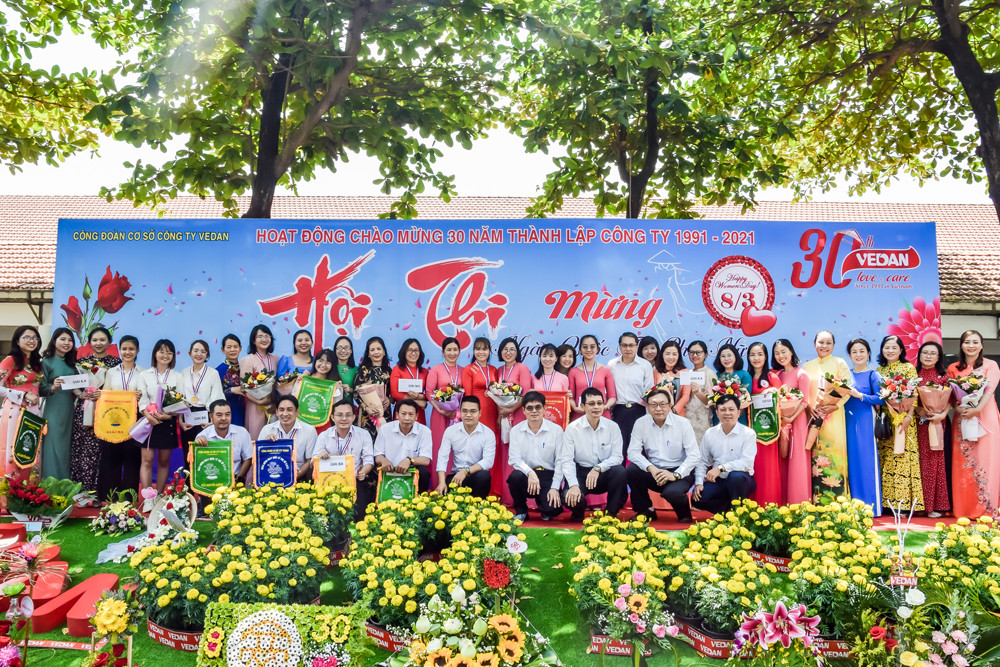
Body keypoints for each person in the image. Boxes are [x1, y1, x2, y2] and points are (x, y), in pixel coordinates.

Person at [626, 388, 699, 523]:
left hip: (679, 471)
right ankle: (646, 510)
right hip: (655, 471)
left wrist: (675, 475)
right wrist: (651, 468)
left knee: (672, 493)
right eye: (653, 405)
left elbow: (694, 455)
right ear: (647, 407)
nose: (658, 409)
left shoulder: (682, 423)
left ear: (670, 405)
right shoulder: (641, 423)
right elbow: (633, 452)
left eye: (662, 404)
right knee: (632, 470)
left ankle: (684, 514)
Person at [948, 329, 1000, 518]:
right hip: (963, 417)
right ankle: (964, 508)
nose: (971, 346)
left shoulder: (990, 365)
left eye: (975, 342)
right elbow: (952, 395)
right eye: (967, 342)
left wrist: (977, 410)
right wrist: (959, 407)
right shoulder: (953, 368)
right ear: (961, 345)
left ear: (981, 345)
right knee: (964, 462)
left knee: (987, 460)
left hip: (985, 415)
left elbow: (989, 391)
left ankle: (987, 507)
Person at [560, 387, 627, 521]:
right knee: (568, 497)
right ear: (583, 406)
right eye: (591, 404)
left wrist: (598, 468)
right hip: (581, 473)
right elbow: (567, 460)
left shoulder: (613, 427)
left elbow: (618, 457)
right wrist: (573, 485)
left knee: (620, 471)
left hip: (604, 473)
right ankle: (579, 510)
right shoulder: (572, 428)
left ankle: (611, 513)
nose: (596, 407)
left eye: (599, 403)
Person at [70, 326, 122, 496]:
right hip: (84, 410)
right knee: (82, 450)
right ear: (90, 342)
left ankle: (101, 491)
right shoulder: (81, 363)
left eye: (102, 340)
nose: (98, 343)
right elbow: (73, 386)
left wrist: (103, 394)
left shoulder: (116, 364)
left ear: (109, 342)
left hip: (106, 412)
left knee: (102, 451)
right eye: (95, 340)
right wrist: (81, 394)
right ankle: (81, 490)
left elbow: (119, 388)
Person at [802, 330, 851, 502]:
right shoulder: (807, 367)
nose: (824, 346)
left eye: (828, 343)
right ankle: (816, 501)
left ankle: (838, 501)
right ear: (814, 344)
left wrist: (834, 406)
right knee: (814, 454)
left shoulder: (839, 363)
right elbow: (802, 393)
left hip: (834, 417)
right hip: (812, 417)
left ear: (834, 345)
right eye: (821, 342)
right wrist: (810, 407)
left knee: (834, 453)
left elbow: (847, 390)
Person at [877, 334, 923, 513]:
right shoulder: (879, 371)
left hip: (904, 420)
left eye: (894, 347)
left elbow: (914, 395)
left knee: (903, 459)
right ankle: (888, 504)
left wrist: (908, 417)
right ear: (882, 349)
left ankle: (903, 505)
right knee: (887, 460)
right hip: (887, 420)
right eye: (887, 347)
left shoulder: (908, 368)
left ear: (901, 350)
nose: (890, 351)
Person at [692, 393, 757, 513]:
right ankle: (727, 511)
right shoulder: (710, 433)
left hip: (742, 479)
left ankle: (737, 514)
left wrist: (721, 468)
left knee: (736, 477)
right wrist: (699, 483)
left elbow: (746, 462)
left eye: (731, 409)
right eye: (723, 410)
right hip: (719, 480)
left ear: (738, 412)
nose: (727, 413)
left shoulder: (748, 434)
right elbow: (702, 461)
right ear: (717, 413)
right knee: (698, 499)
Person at [97, 334, 143, 500]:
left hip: (134, 421)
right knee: (111, 458)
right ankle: (110, 497)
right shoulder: (111, 372)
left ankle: (129, 498)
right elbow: (105, 395)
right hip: (113, 420)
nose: (127, 352)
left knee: (132, 459)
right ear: (119, 350)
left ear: (137, 351)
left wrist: (140, 396)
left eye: (131, 349)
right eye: (124, 349)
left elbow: (147, 397)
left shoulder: (143, 373)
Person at [313, 400, 376, 519]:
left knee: (360, 513)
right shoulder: (324, 436)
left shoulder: (363, 434)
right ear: (332, 417)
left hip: (354, 480)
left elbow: (368, 460)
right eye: (339, 415)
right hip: (329, 481)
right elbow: (313, 463)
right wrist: (320, 456)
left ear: (353, 417)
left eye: (348, 415)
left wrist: (364, 471)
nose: (344, 419)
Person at [507, 391, 564, 522]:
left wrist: (555, 487)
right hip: (526, 475)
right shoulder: (516, 431)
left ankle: (544, 507)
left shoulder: (556, 430)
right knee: (515, 477)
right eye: (529, 408)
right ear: (523, 410)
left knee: (553, 509)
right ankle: (521, 511)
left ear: (544, 409)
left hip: (548, 475)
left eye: (538, 407)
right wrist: (530, 473)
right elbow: (514, 459)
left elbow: (560, 461)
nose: (534, 411)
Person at [137, 339, 183, 495]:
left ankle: (158, 496)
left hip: (168, 422)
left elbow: (181, 401)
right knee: (147, 460)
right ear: (155, 354)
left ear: (173, 356)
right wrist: (148, 415)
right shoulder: (144, 375)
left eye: (169, 352)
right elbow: (142, 401)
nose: (165, 355)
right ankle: (148, 497)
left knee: (163, 461)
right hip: (148, 421)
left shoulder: (177, 376)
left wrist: (169, 416)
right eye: (161, 352)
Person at [844, 338, 884, 516]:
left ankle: (871, 506)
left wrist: (860, 396)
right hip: (846, 420)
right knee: (851, 462)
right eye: (854, 351)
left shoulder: (873, 375)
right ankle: (852, 505)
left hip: (865, 421)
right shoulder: (846, 375)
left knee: (866, 461)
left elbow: (882, 399)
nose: (858, 355)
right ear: (849, 355)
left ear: (868, 353)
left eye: (862, 351)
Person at [0, 326, 43, 482]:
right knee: (14, 449)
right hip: (15, 410)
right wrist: (22, 395)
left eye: (35, 338)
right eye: (27, 337)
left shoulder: (37, 362)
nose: (31, 341)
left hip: (34, 412)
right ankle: (11, 489)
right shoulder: (10, 361)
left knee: (32, 449)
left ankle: (30, 491)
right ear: (17, 341)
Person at [772, 338, 811, 505]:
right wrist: (782, 418)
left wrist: (791, 418)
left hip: (798, 421)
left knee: (797, 459)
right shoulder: (777, 375)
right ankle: (782, 500)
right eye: (777, 353)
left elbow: (805, 401)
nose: (781, 356)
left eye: (783, 352)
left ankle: (799, 501)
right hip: (781, 423)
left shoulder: (801, 374)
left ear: (791, 352)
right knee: (782, 458)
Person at [915, 341, 950, 518]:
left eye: (932, 353)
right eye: (925, 352)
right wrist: (918, 410)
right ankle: (919, 505)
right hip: (917, 425)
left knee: (935, 463)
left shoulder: (944, 376)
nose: (928, 356)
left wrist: (941, 415)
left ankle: (935, 506)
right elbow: (909, 400)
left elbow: (951, 400)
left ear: (938, 357)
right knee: (918, 463)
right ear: (919, 355)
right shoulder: (913, 375)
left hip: (936, 423)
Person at [39, 327, 80, 481]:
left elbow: (74, 387)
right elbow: (40, 389)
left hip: (68, 408)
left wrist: (83, 394)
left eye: (70, 340)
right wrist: (52, 387)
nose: (66, 343)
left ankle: (64, 483)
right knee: (52, 445)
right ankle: (50, 483)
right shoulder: (46, 362)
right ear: (54, 341)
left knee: (65, 447)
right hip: (52, 407)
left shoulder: (72, 364)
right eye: (62, 339)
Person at [435, 395, 495, 498]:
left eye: (473, 411)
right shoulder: (451, 431)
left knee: (484, 476)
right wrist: (441, 482)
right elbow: (442, 457)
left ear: (480, 413)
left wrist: (466, 471)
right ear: (460, 412)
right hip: (455, 477)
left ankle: (479, 505)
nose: (468, 415)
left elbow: (488, 461)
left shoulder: (488, 433)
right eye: (464, 411)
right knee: (445, 501)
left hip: (476, 476)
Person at [608, 332, 654, 458]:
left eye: (631, 345)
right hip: (619, 411)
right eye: (624, 345)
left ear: (636, 347)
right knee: (619, 448)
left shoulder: (645, 365)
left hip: (639, 410)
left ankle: (639, 471)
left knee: (640, 448)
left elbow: (649, 391)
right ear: (619, 347)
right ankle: (619, 470)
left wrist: (649, 414)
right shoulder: (612, 365)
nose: (628, 348)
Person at [746, 342, 782, 506]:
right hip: (749, 430)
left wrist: (775, 392)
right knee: (752, 466)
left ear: (766, 356)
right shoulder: (746, 378)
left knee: (768, 468)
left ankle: (770, 504)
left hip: (768, 433)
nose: (756, 358)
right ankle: (751, 505)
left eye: (760, 354)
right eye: (752, 355)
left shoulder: (772, 377)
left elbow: (782, 399)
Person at [374, 398, 433, 493]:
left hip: (412, 470)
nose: (407, 418)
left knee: (423, 472)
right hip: (390, 469)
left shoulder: (425, 431)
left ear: (416, 416)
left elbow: (426, 459)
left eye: (411, 414)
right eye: (403, 414)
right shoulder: (385, 429)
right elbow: (378, 455)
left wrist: (409, 460)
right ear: (397, 415)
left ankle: (420, 499)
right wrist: (384, 461)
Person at [179, 339, 225, 459]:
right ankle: (188, 472)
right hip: (187, 416)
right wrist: (180, 421)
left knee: (205, 454)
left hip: (206, 417)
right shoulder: (184, 373)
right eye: (196, 351)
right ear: (190, 353)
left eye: (203, 351)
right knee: (188, 453)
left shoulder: (213, 373)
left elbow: (217, 397)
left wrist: (212, 421)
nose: (199, 354)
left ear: (207, 355)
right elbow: (179, 399)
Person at [425, 337, 464, 472]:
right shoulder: (436, 370)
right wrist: (440, 410)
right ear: (443, 352)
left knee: (458, 448)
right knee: (440, 447)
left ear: (459, 351)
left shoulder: (464, 370)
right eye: (449, 350)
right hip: (440, 415)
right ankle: (439, 482)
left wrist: (459, 413)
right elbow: (429, 392)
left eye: (455, 350)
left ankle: (456, 480)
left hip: (458, 417)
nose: (452, 353)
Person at [193, 399, 253, 486]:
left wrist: (238, 479)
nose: (224, 418)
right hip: (210, 482)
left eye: (227, 414)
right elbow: (198, 466)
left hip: (235, 480)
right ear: (211, 416)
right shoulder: (202, 436)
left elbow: (248, 458)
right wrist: (197, 445)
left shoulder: (242, 432)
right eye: (219, 415)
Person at [259, 395, 318, 480]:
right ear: (276, 412)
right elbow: (258, 459)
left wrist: (294, 477)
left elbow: (309, 461)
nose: (285, 414)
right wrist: (265, 444)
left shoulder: (309, 430)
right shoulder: (267, 429)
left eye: (289, 410)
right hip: (271, 476)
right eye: (281, 410)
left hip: (299, 476)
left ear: (297, 412)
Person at [239, 324, 278, 440]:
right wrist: (259, 401)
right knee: (256, 436)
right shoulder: (248, 360)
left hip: (273, 405)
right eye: (260, 336)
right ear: (253, 340)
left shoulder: (276, 359)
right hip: (255, 406)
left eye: (267, 336)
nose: (264, 339)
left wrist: (273, 400)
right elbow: (244, 387)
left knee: (274, 436)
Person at [568, 334, 616, 421]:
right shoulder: (573, 372)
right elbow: (571, 397)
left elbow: (612, 397)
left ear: (597, 349)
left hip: (602, 416)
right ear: (580, 350)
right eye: (585, 347)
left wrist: (604, 407)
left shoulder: (605, 370)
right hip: (580, 416)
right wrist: (575, 408)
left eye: (592, 347)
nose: (589, 350)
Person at [353, 336, 392, 438]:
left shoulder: (389, 371)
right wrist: (366, 408)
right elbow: (356, 393)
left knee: (385, 441)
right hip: (367, 414)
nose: (376, 352)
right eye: (372, 350)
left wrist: (390, 400)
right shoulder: (363, 370)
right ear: (368, 354)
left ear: (384, 352)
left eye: (379, 349)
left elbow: (393, 392)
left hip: (384, 413)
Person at [389, 338, 429, 424]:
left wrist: (419, 396)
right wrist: (416, 400)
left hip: (418, 412)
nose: (413, 353)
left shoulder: (425, 372)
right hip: (402, 411)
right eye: (410, 350)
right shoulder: (397, 369)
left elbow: (430, 394)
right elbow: (394, 393)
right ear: (404, 352)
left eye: (416, 350)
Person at [685, 340, 718, 442]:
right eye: (691, 352)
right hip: (686, 418)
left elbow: (713, 402)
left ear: (706, 354)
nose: (694, 355)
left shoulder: (710, 374)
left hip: (703, 420)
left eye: (698, 352)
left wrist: (697, 392)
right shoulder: (686, 373)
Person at [304, 348, 341, 434]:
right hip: (303, 422)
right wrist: (301, 380)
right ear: (315, 361)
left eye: (328, 362)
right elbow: (295, 399)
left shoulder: (334, 384)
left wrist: (338, 391)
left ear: (333, 365)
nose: (323, 365)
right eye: (320, 360)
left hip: (323, 424)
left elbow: (337, 407)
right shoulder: (305, 378)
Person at [714, 343, 752, 425]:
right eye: (723, 356)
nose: (726, 359)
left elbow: (747, 398)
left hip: (739, 417)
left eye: (729, 355)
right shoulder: (717, 375)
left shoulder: (744, 375)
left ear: (735, 356)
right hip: (719, 418)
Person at [216, 334, 246, 427]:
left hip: (247, 408)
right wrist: (231, 390)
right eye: (229, 347)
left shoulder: (245, 366)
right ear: (223, 349)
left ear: (240, 348)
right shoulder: (219, 371)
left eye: (235, 347)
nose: (232, 350)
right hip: (229, 411)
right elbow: (215, 396)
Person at [654, 341, 690, 416]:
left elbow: (686, 396)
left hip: (678, 414)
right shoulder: (656, 372)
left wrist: (673, 410)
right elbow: (653, 393)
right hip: (659, 413)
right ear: (662, 355)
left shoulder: (685, 372)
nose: (671, 357)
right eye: (667, 354)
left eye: (674, 354)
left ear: (679, 356)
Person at [332, 336, 357, 404]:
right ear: (335, 350)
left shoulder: (356, 370)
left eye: (346, 347)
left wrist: (350, 390)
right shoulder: (329, 367)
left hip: (348, 407)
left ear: (351, 350)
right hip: (329, 407)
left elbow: (361, 392)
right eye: (340, 347)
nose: (343, 351)